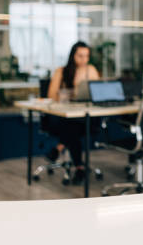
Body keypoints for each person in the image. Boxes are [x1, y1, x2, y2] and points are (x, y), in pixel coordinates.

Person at [47, 41, 100, 184]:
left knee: (72, 127)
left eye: (86, 56)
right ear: (73, 56)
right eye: (80, 56)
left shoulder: (91, 70)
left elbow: (97, 93)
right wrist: (71, 92)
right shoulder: (61, 71)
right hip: (65, 117)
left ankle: (59, 147)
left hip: (87, 117)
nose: (84, 60)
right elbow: (51, 95)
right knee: (72, 127)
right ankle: (79, 168)